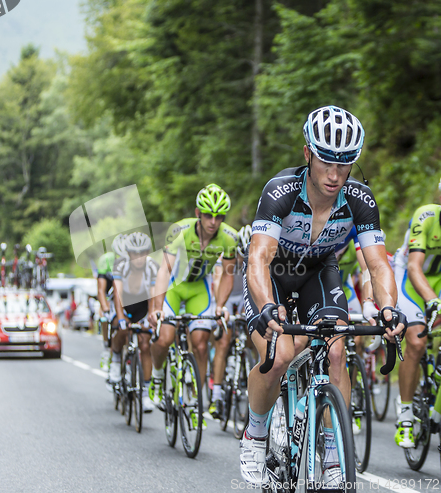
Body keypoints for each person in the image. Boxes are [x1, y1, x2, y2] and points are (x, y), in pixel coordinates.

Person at [240, 105, 406, 487]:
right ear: (307, 155)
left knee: (336, 348)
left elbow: (379, 266)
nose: (335, 176)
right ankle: (256, 434)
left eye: (345, 165)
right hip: (275, 275)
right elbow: (259, 257)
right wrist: (266, 305)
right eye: (326, 163)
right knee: (279, 354)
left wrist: (388, 309)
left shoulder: (361, 200)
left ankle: (333, 453)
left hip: (319, 271)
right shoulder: (280, 191)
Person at [148, 184, 238, 422]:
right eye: (208, 215)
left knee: (200, 344)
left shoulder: (230, 237)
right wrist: (157, 307)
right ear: (198, 213)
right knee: (164, 337)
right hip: (175, 288)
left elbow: (228, 274)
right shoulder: (179, 230)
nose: (213, 221)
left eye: (219, 217)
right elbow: (165, 269)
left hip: (199, 289)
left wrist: (220, 305)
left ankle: (198, 399)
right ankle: (157, 376)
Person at [394, 180, 441, 447]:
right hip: (411, 280)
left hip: (439, 280)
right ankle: (405, 417)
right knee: (417, 341)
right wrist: (432, 300)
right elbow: (414, 267)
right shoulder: (426, 216)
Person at [109, 232, 159, 413]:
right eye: (134, 254)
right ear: (128, 254)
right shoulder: (120, 265)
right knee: (120, 328)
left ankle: (146, 393)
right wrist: (121, 318)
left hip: (142, 305)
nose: (139, 258)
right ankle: (115, 358)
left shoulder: (152, 266)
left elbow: (153, 296)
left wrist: (150, 317)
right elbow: (118, 293)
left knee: (145, 344)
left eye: (142, 253)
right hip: (124, 302)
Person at [209, 225, 252, 418]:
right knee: (224, 341)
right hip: (224, 297)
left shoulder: (255, 259)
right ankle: (216, 396)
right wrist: (221, 307)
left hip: (243, 298)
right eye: (240, 255)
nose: (242, 260)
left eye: (246, 256)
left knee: (253, 336)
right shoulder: (225, 259)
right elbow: (218, 282)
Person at [97, 234, 127, 348]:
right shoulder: (106, 260)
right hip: (110, 290)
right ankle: (107, 345)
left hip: (125, 291)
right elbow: (101, 290)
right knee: (105, 317)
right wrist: (105, 308)